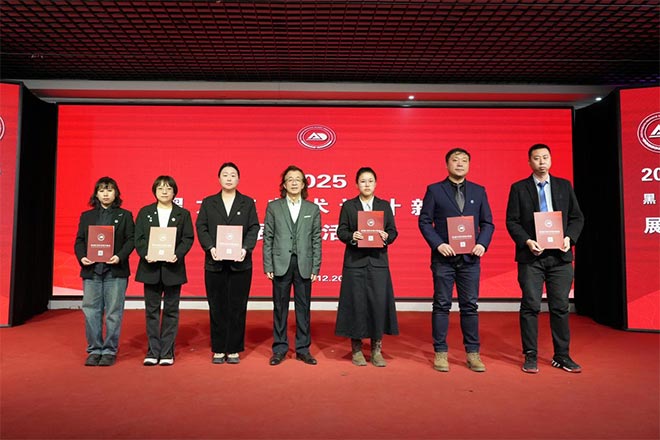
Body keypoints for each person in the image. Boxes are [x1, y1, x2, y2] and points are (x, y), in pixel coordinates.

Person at [505, 143, 584, 374]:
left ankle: (562, 355)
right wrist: (528, 241)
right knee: (530, 305)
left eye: (545, 157)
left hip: (560, 256)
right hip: (532, 257)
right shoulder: (519, 188)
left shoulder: (563, 186)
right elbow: (512, 221)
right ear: (529, 162)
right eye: (537, 158)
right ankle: (530, 354)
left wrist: (569, 238)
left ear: (551, 160)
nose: (542, 162)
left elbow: (577, 217)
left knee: (560, 307)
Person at [418, 148, 494, 372]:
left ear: (469, 164)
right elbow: (424, 221)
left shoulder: (479, 191)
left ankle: (473, 353)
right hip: (444, 258)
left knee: (470, 306)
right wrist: (438, 244)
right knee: (441, 305)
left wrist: (482, 243)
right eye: (455, 160)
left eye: (464, 160)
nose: (460, 164)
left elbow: (487, 223)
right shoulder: (435, 190)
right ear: (447, 164)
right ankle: (440, 352)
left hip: (470, 258)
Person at [196, 163, 260, 365]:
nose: (229, 178)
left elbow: (254, 227)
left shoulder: (247, 203)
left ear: (238, 179)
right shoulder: (209, 202)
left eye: (233, 175)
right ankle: (218, 348)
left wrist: (245, 248)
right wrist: (210, 247)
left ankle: (233, 349)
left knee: (237, 307)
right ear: (219, 179)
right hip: (214, 262)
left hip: (240, 264)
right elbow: (201, 226)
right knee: (217, 306)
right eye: (225, 175)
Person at [335, 167, 399, 367]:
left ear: (376, 183)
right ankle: (356, 349)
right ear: (357, 184)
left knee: (377, 305)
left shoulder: (384, 206)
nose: (367, 184)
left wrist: (387, 237)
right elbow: (341, 231)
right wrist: (351, 236)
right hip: (355, 263)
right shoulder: (349, 206)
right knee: (356, 304)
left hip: (378, 262)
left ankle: (376, 349)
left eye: (370, 181)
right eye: (363, 181)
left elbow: (393, 231)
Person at [263, 165, 322, 366]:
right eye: (290, 179)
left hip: (304, 263)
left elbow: (316, 239)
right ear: (284, 184)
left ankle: (303, 349)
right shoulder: (274, 207)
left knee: (303, 308)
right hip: (280, 263)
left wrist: (315, 267)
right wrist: (268, 264)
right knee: (280, 307)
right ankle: (279, 348)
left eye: (298, 179)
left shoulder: (312, 209)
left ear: (304, 184)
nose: (294, 182)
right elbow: (268, 237)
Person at [74, 177, 135, 367]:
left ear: (116, 193)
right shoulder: (87, 216)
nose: (106, 194)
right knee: (91, 312)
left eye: (109, 190)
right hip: (92, 270)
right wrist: (82, 257)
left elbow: (131, 240)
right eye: (101, 190)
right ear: (96, 194)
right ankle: (94, 350)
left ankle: (109, 350)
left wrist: (119, 256)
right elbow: (79, 241)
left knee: (113, 313)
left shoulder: (125, 215)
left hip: (115, 271)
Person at [134, 176, 194, 366]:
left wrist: (178, 254)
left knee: (171, 311)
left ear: (174, 191)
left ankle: (167, 352)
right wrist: (146, 254)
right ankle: (153, 351)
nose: (164, 191)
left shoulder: (183, 214)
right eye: (160, 188)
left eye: (168, 188)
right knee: (151, 311)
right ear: (155, 191)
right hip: (150, 268)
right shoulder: (145, 212)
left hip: (173, 268)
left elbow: (188, 238)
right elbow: (138, 238)